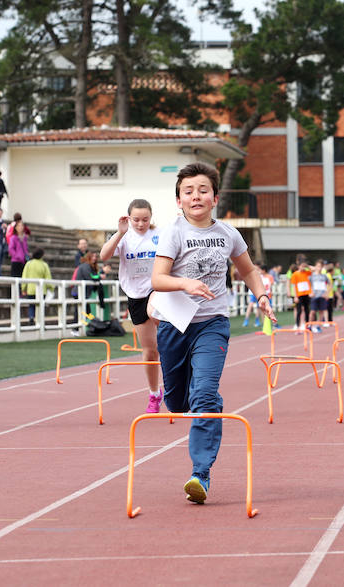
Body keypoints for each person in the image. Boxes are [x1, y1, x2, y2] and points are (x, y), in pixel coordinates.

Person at [150, 162, 275, 504]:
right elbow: (158, 279)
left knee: (204, 394)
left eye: (203, 190)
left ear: (215, 198)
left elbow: (248, 270)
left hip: (212, 324)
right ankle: (204, 404)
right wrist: (184, 283)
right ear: (179, 200)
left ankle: (200, 473)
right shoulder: (173, 232)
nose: (196, 196)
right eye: (188, 191)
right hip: (175, 325)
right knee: (179, 403)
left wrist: (262, 296)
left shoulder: (229, 233)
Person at [99, 198, 164, 413]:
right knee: (150, 351)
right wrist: (119, 232)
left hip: (158, 289)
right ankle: (154, 393)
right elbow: (104, 256)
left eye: (145, 219)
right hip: (135, 295)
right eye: (136, 219)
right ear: (129, 218)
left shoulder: (160, 235)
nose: (141, 224)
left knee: (155, 312)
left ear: (151, 217)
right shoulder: (124, 237)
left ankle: (172, 339)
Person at [21, 248, 53, 323]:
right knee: (40, 306)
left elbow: (24, 277)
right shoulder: (44, 265)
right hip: (42, 290)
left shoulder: (29, 264)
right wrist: (51, 288)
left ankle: (31, 317)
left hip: (31, 289)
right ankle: (40, 320)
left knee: (31, 305)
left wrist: (23, 288)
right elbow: (48, 278)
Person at [74, 250, 105, 318]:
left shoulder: (90, 266)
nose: (94, 258)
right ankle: (79, 324)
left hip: (83, 293)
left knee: (84, 312)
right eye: (92, 256)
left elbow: (93, 276)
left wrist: (99, 276)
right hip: (79, 292)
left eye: (95, 257)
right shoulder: (86, 266)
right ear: (88, 257)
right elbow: (89, 277)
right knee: (82, 312)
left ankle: (82, 324)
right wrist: (100, 277)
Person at [290, 261, 312, 330]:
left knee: (307, 310)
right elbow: (294, 286)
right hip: (299, 295)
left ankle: (307, 324)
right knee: (299, 310)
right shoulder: (295, 274)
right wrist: (295, 296)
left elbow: (314, 270)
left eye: (304, 266)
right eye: (302, 266)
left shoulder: (307, 272)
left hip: (306, 294)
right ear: (299, 266)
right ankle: (297, 324)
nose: (303, 268)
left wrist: (307, 266)